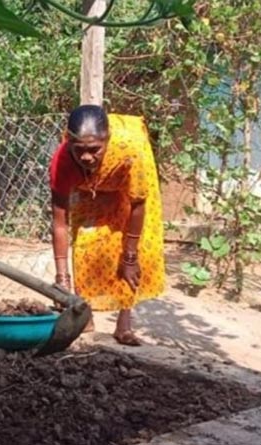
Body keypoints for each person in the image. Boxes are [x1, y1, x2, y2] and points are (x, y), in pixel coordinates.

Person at [49, 105, 165, 346]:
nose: (87, 157)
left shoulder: (129, 151)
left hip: (127, 185)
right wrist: (62, 279)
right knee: (86, 243)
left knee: (130, 247)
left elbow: (138, 204)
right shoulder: (63, 163)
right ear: (69, 142)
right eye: (79, 150)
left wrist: (130, 257)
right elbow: (60, 222)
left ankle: (124, 324)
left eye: (94, 150)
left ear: (107, 140)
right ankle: (85, 317)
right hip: (88, 186)